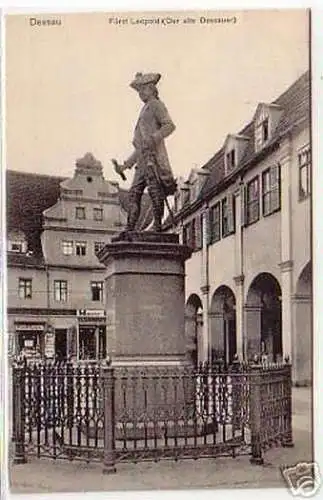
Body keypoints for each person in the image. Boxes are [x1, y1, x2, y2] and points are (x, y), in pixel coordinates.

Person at [116, 72, 177, 232]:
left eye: (143, 90)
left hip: (153, 159)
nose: (140, 94)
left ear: (151, 89)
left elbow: (169, 126)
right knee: (134, 193)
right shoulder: (145, 109)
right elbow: (140, 147)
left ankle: (157, 226)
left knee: (155, 191)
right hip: (143, 160)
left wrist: (154, 138)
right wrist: (125, 165)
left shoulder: (156, 105)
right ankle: (130, 228)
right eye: (139, 91)